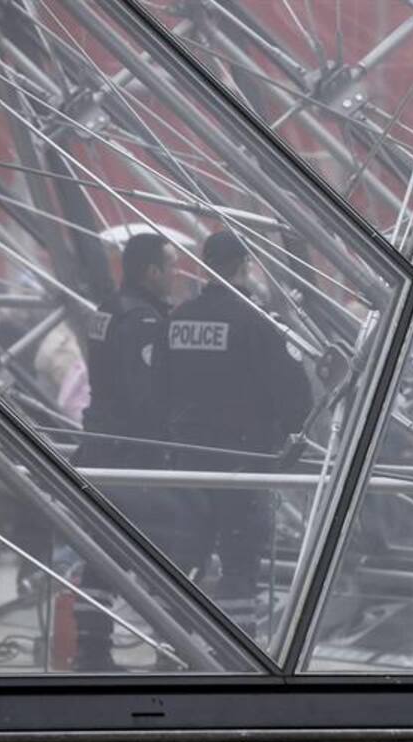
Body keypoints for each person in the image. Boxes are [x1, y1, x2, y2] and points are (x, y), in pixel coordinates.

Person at [162, 230, 312, 639]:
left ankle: (170, 642)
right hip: (241, 458)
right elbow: (293, 391)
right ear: (244, 265)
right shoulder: (254, 320)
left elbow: (161, 384)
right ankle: (235, 644)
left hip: (187, 455)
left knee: (187, 552)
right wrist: (288, 433)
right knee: (240, 557)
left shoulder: (179, 320)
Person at [73, 232, 178, 671]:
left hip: (100, 442)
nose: (175, 276)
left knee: (103, 551)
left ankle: (92, 648)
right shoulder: (142, 320)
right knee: (164, 545)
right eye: (171, 267)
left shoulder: (107, 309)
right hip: (131, 451)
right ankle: (170, 648)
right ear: (151, 271)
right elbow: (146, 395)